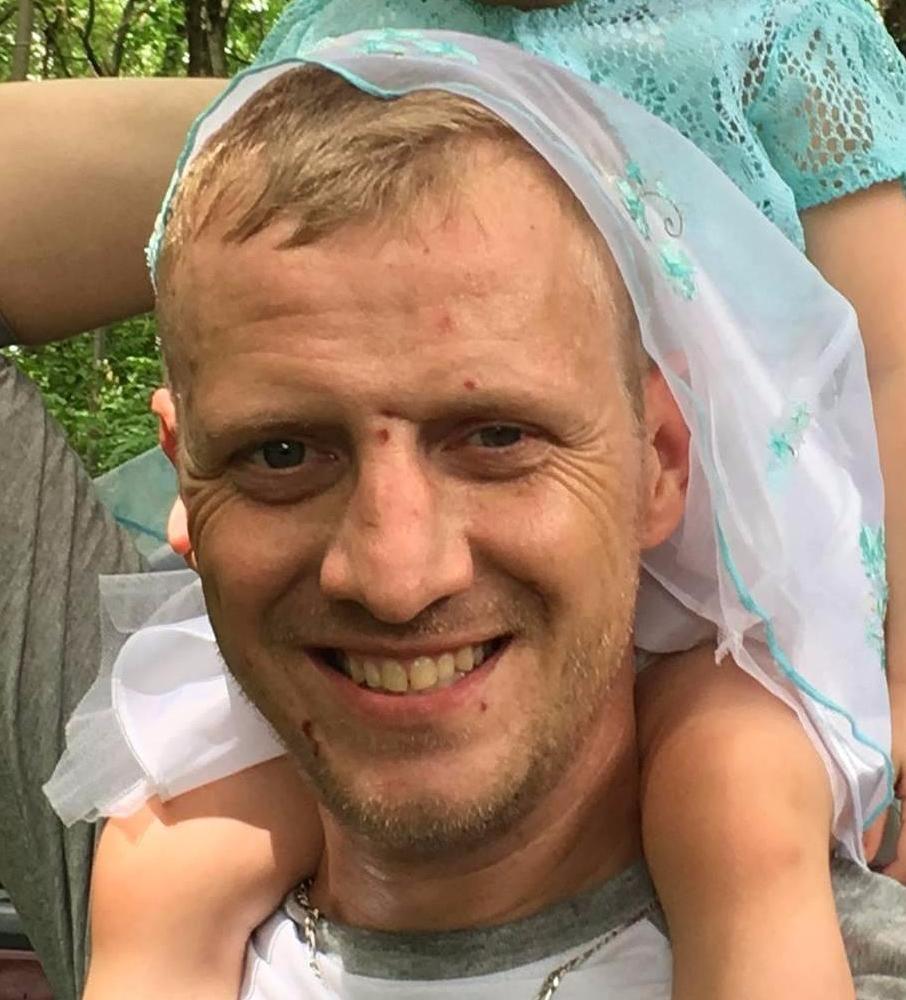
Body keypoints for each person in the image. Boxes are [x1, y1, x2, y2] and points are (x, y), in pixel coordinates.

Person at [30, 28, 905, 1000]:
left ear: (661, 461)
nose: (397, 579)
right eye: (281, 453)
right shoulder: (171, 869)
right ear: (185, 482)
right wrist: (320, 93)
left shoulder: (775, 35)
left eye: (497, 437)